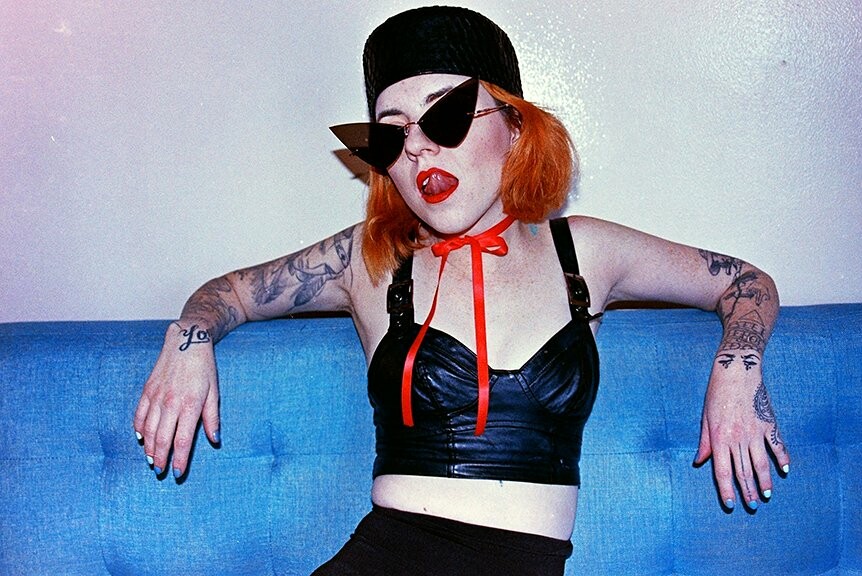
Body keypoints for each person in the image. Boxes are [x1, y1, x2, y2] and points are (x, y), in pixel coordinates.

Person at [133, 6, 790, 575]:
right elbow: (231, 293)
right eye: (392, 133)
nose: (418, 150)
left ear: (515, 125)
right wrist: (188, 340)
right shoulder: (368, 260)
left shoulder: (584, 252)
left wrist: (736, 370)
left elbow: (745, 282)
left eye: (444, 118)